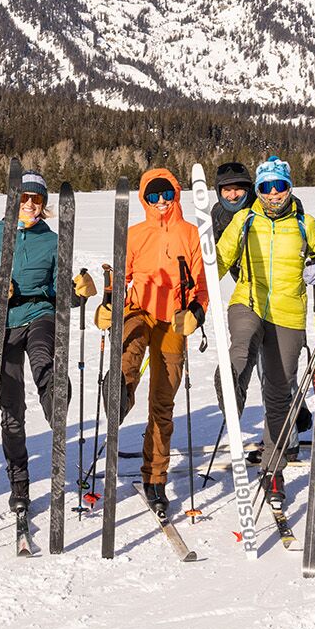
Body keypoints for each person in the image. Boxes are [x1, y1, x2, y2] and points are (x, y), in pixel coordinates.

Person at [0, 172, 95, 516]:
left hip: (39, 315)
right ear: (13, 200)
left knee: (44, 357)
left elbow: (60, 292)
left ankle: (55, 396)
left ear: (43, 204)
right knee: (11, 410)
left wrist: (77, 293)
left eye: (36, 199)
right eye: (23, 198)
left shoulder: (53, 241)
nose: (29, 205)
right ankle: (19, 484)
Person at [96, 168, 207, 517]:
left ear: (176, 195)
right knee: (130, 350)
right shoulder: (135, 233)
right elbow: (118, 276)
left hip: (174, 317)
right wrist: (108, 304)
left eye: (167, 195)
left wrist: (196, 313)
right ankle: (118, 392)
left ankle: (155, 478)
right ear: (145, 199)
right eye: (154, 196)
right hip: (139, 309)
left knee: (163, 400)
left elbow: (202, 285)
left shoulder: (191, 234)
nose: (161, 202)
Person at [216, 156, 315, 509]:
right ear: (258, 191)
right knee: (242, 347)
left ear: (289, 187)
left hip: (289, 314)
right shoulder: (244, 220)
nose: (273, 194)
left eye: (279, 187)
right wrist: (193, 293)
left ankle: (273, 471)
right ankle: (230, 387)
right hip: (248, 300)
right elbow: (217, 259)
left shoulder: (306, 224)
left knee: (279, 393)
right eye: (266, 187)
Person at [210, 161, 253, 246]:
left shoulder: (258, 211)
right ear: (219, 192)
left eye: (238, 189)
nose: (233, 196)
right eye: (227, 190)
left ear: (247, 190)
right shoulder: (217, 212)